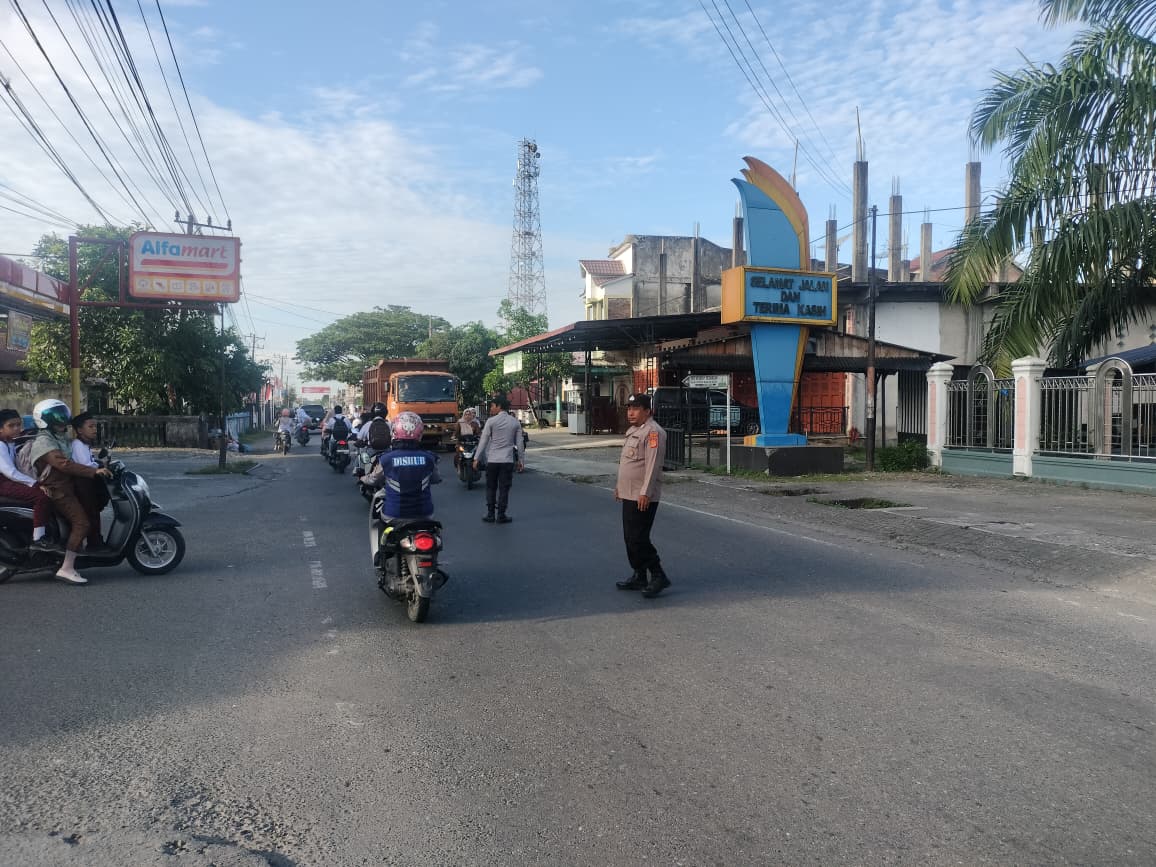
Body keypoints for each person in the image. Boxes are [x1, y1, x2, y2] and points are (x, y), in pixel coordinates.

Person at [26, 399, 112, 585]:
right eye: (57, 417)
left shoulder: (60, 438)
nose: (62, 421)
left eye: (62, 416)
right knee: (82, 523)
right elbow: (64, 464)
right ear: (45, 420)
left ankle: (83, 550)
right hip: (58, 490)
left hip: (68, 486)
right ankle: (67, 568)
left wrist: (97, 466)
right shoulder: (44, 441)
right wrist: (93, 472)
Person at [614, 393, 670, 598]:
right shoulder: (634, 431)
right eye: (629, 408)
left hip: (642, 495)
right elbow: (628, 463)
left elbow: (653, 465)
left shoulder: (653, 432)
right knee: (629, 537)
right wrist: (619, 487)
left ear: (648, 411)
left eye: (636, 408)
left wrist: (645, 492)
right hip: (629, 493)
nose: (631, 412)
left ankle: (658, 574)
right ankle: (639, 575)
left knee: (638, 538)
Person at [364, 411, 440, 521]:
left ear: (394, 431)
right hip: (425, 514)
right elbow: (436, 479)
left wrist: (363, 478)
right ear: (420, 433)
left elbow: (373, 480)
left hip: (394, 514)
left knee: (379, 520)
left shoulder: (386, 459)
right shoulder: (429, 458)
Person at [0, 408, 56, 551]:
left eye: (18, 424)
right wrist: (35, 484)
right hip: (3, 483)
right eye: (11, 425)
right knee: (41, 497)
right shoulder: (0, 445)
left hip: (9, 481)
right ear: (1, 429)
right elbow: (10, 472)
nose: (17, 428)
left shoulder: (10, 443)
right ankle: (38, 539)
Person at [473, 393, 524, 524]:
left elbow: (483, 441)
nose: (491, 408)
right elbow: (519, 443)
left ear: (499, 406)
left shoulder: (491, 421)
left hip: (493, 460)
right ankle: (501, 515)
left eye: (492, 406)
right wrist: (521, 460)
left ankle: (490, 514)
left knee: (491, 487)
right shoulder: (515, 422)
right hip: (507, 460)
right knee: (504, 488)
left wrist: (476, 458)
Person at [69, 411, 110, 553]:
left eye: (95, 426)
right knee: (90, 515)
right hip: (83, 485)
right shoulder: (78, 445)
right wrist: (99, 467)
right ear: (80, 430)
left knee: (94, 513)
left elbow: (91, 462)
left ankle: (96, 542)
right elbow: (86, 465)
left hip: (88, 484)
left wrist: (101, 464)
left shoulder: (85, 444)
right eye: (91, 426)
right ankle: (93, 544)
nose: (94, 430)